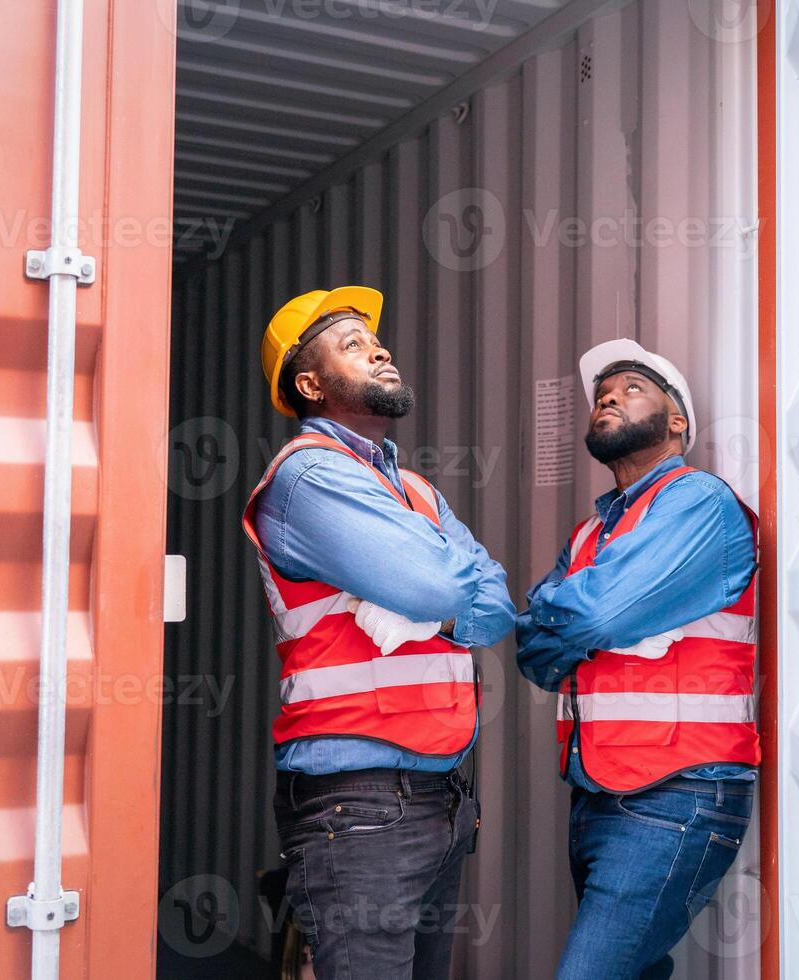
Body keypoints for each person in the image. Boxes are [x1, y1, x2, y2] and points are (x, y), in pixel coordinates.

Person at [242, 285, 515, 980]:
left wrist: (442, 592)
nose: (380, 349)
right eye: (353, 345)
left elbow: (495, 604)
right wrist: (443, 590)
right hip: (357, 802)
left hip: (438, 795)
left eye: (376, 339)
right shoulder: (307, 477)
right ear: (310, 383)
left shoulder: (416, 489)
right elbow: (446, 587)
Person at [516, 339, 760, 980]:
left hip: (677, 791)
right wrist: (573, 618)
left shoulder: (699, 502)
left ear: (676, 421)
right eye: (603, 392)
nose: (609, 397)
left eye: (632, 388)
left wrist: (573, 616)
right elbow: (535, 655)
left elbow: (591, 616)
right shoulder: (590, 532)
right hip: (598, 791)